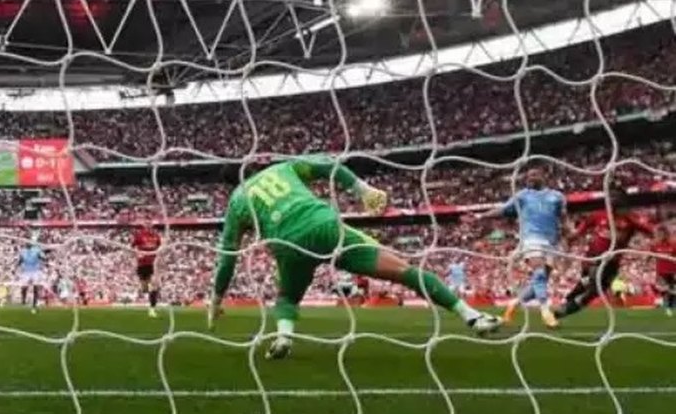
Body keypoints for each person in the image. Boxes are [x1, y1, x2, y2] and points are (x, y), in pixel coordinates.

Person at [209, 155, 501, 360]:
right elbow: (327, 165)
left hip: (286, 245)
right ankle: (472, 316)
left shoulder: (236, 202)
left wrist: (216, 301)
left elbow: (228, 258)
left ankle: (284, 337)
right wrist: (363, 189)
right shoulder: (283, 168)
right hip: (325, 225)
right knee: (405, 270)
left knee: (286, 299)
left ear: (228, 185)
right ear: (251, 166)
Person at [467, 166, 566, 328]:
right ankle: (546, 312)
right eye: (528, 176)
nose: (530, 178)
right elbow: (503, 210)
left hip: (552, 241)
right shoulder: (522, 196)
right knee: (539, 273)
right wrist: (480, 216)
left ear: (544, 175)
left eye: (534, 174)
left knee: (539, 283)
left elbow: (563, 218)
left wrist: (571, 233)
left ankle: (514, 303)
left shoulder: (557, 197)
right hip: (531, 238)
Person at [554, 186, 653, 321]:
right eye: (610, 196)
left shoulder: (630, 220)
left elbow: (654, 232)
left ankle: (565, 307)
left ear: (623, 200)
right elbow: (577, 233)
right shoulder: (598, 215)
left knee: (593, 293)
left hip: (612, 263)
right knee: (592, 286)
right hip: (593, 259)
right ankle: (567, 305)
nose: (612, 199)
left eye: (616, 196)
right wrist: (566, 234)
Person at [132, 223, 162, 317]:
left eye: (151, 225)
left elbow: (160, 246)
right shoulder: (140, 236)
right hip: (142, 264)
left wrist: (159, 256)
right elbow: (131, 246)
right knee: (145, 288)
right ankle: (147, 292)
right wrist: (137, 254)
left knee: (154, 286)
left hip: (152, 264)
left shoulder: (156, 237)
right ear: (145, 226)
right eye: (147, 225)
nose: (149, 227)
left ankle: (152, 309)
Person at [16, 236, 46, 313]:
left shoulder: (36, 250)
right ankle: (23, 300)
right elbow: (21, 260)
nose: (28, 243)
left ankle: (34, 304)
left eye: (29, 242)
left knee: (35, 287)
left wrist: (42, 257)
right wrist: (17, 265)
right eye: (26, 242)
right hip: (26, 271)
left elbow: (42, 257)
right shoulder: (23, 251)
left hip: (35, 271)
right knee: (24, 287)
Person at [651, 224, 676, 317]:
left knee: (673, 290)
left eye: (662, 234)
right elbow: (649, 255)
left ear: (666, 234)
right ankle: (662, 301)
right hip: (661, 272)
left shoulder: (673, 245)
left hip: (673, 271)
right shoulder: (655, 246)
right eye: (659, 234)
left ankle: (669, 307)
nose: (661, 236)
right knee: (665, 289)